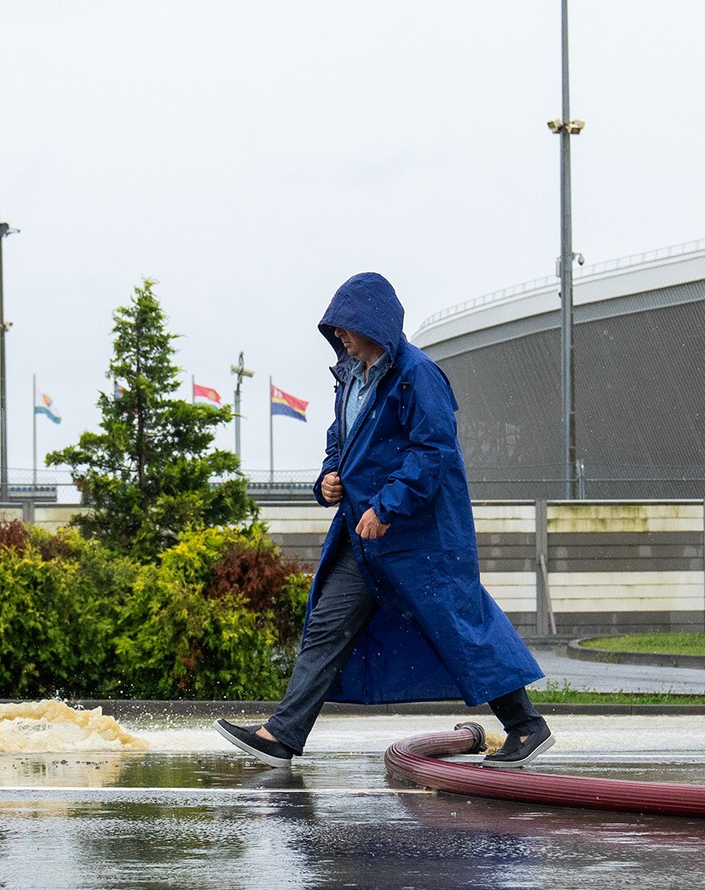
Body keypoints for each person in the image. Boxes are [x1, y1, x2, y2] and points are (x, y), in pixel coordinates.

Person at [218, 272, 552, 768]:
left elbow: (434, 451)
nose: (338, 336)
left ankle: (526, 726)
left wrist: (388, 505)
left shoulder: (418, 375)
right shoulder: (351, 376)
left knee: (457, 626)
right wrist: (329, 475)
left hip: (418, 536)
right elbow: (341, 437)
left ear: (371, 321)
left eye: (345, 325)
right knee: (327, 626)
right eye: (334, 328)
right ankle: (282, 735)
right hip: (363, 533)